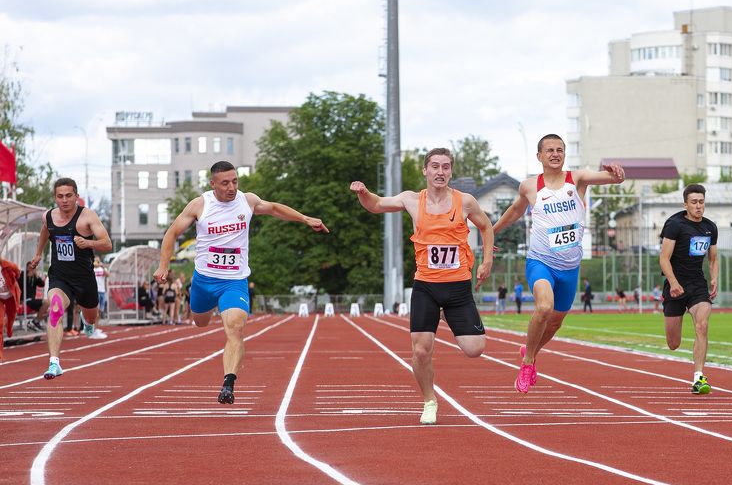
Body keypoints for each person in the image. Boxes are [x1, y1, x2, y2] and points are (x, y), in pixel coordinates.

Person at [154, 160, 328, 404]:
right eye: (225, 183)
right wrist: (164, 265)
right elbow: (172, 233)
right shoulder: (200, 205)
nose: (231, 187)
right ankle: (204, 312)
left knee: (235, 328)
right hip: (204, 279)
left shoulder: (246, 201)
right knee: (200, 322)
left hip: (234, 281)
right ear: (213, 184)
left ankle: (228, 383)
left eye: (235, 181)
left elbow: (275, 208)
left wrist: (305, 218)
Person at [351, 147, 494, 424]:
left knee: (475, 349)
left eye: (446, 167)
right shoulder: (412, 200)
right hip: (426, 285)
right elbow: (377, 205)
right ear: (425, 170)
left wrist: (487, 261)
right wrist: (363, 193)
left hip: (458, 287)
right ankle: (429, 401)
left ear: (451, 171)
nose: (440, 172)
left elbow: (486, 227)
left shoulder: (465, 201)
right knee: (420, 350)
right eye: (435, 167)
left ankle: (448, 312)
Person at [492, 134, 625, 393]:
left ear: (565, 154)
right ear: (539, 156)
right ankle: (528, 363)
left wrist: (617, 173)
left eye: (560, 150)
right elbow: (516, 211)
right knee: (544, 307)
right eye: (550, 150)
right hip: (540, 261)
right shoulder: (529, 186)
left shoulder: (578, 179)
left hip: (570, 267)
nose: (555, 154)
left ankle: (531, 349)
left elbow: (614, 179)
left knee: (555, 322)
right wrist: (492, 231)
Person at [27, 178, 113, 378]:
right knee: (55, 308)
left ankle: (88, 322)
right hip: (60, 276)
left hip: (84, 278)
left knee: (91, 317)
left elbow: (107, 243)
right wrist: (39, 253)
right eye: (60, 196)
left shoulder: (87, 216)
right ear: (55, 197)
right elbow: (44, 232)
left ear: (76, 196)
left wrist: (87, 243)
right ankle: (54, 363)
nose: (64, 200)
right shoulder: (48, 216)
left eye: (68, 196)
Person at [659, 183, 718, 395]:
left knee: (702, 325)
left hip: (697, 285)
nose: (698, 206)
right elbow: (664, 258)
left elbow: (713, 258)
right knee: (673, 343)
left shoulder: (710, 227)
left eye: (701, 202)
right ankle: (672, 309)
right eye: (694, 202)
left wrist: (714, 279)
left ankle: (699, 377)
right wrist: (674, 283)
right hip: (675, 285)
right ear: (686, 204)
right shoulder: (675, 225)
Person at [0, 258, 21, 361]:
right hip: (0, 298)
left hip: (10, 295)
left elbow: (17, 272)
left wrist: (13, 281)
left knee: (11, 316)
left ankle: (9, 327)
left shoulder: (7, 265)